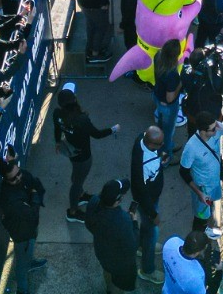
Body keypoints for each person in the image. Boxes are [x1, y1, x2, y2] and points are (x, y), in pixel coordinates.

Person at [54, 83, 119, 218]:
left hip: (71, 152)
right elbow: (97, 134)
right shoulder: (81, 119)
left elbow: (57, 128)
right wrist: (112, 130)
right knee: (77, 182)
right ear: (74, 100)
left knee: (76, 174)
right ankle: (73, 211)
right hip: (84, 156)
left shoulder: (57, 114)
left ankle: (81, 195)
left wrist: (58, 142)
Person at [0, 150, 49, 293]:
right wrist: (35, 197)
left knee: (31, 245)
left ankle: (30, 262)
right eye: (13, 178)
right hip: (21, 233)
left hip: (29, 226)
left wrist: (34, 196)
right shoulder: (9, 198)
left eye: (19, 174)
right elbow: (32, 213)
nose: (19, 178)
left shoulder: (22, 175)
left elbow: (37, 185)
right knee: (21, 264)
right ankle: (22, 289)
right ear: (5, 179)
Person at [179, 114, 223, 234]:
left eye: (215, 126)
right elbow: (183, 172)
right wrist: (199, 193)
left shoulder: (217, 130)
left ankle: (208, 227)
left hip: (214, 183)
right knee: (200, 218)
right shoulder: (191, 147)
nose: (216, 130)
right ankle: (197, 240)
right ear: (202, 131)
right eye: (213, 129)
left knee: (209, 209)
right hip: (203, 188)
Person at [84, 180, 140, 293]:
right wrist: (134, 223)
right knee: (119, 282)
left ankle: (109, 289)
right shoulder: (123, 220)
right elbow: (133, 246)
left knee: (107, 271)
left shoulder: (93, 202)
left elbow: (88, 224)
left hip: (102, 252)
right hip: (119, 261)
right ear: (117, 201)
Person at [130, 125, 166, 284]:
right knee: (152, 233)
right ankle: (147, 270)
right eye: (160, 144)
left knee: (146, 226)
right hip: (148, 201)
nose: (162, 146)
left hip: (150, 196)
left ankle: (140, 246)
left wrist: (159, 155)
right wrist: (153, 213)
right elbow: (142, 191)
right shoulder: (144, 164)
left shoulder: (141, 138)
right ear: (151, 144)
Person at [151, 39, 184, 161]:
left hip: (157, 97)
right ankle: (166, 157)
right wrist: (180, 85)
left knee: (161, 126)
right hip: (168, 106)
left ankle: (167, 146)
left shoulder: (158, 56)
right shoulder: (172, 74)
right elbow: (170, 98)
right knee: (168, 132)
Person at [161, 230, 211, 294]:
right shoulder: (196, 276)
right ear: (198, 252)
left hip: (166, 289)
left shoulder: (171, 242)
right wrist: (219, 273)